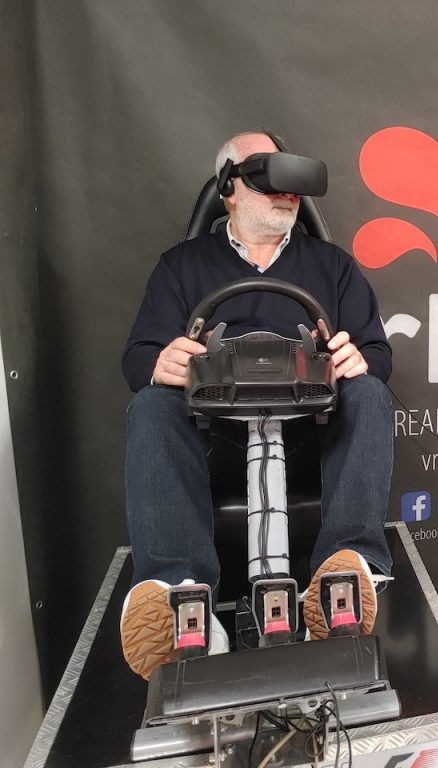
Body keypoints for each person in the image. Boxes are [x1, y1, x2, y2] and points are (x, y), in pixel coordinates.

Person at [119, 131, 394, 679]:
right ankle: (177, 596)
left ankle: (347, 573)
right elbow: (138, 357)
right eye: (268, 177)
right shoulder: (181, 266)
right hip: (216, 439)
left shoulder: (333, 266)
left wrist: (358, 359)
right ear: (228, 187)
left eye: (292, 182)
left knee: (368, 392)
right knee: (152, 405)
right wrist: (161, 361)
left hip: (309, 433)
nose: (287, 192)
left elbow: (378, 353)